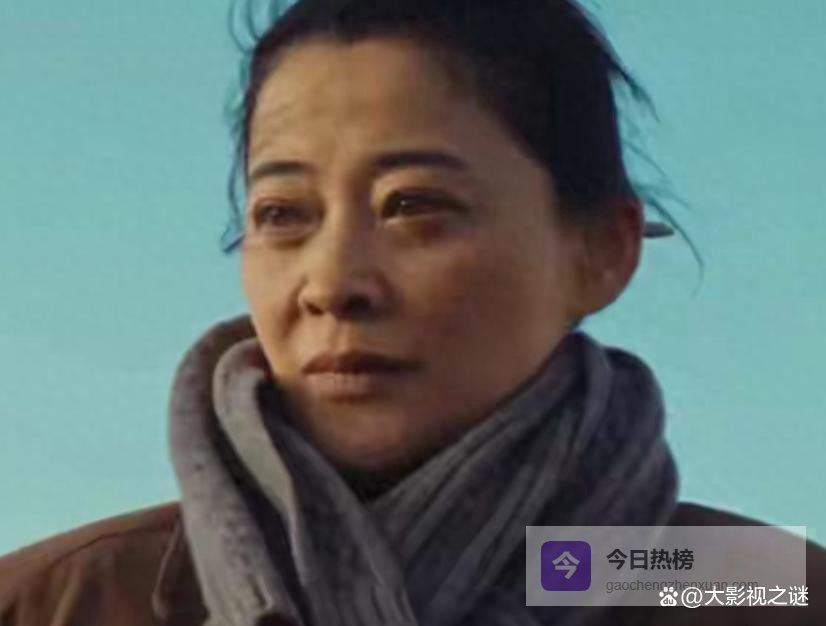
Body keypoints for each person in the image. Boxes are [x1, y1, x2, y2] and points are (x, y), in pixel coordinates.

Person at [1, 1, 823, 625]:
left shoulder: (755, 587)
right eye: (283, 214)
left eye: (413, 205)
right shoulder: (58, 602)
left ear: (602, 251)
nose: (333, 283)